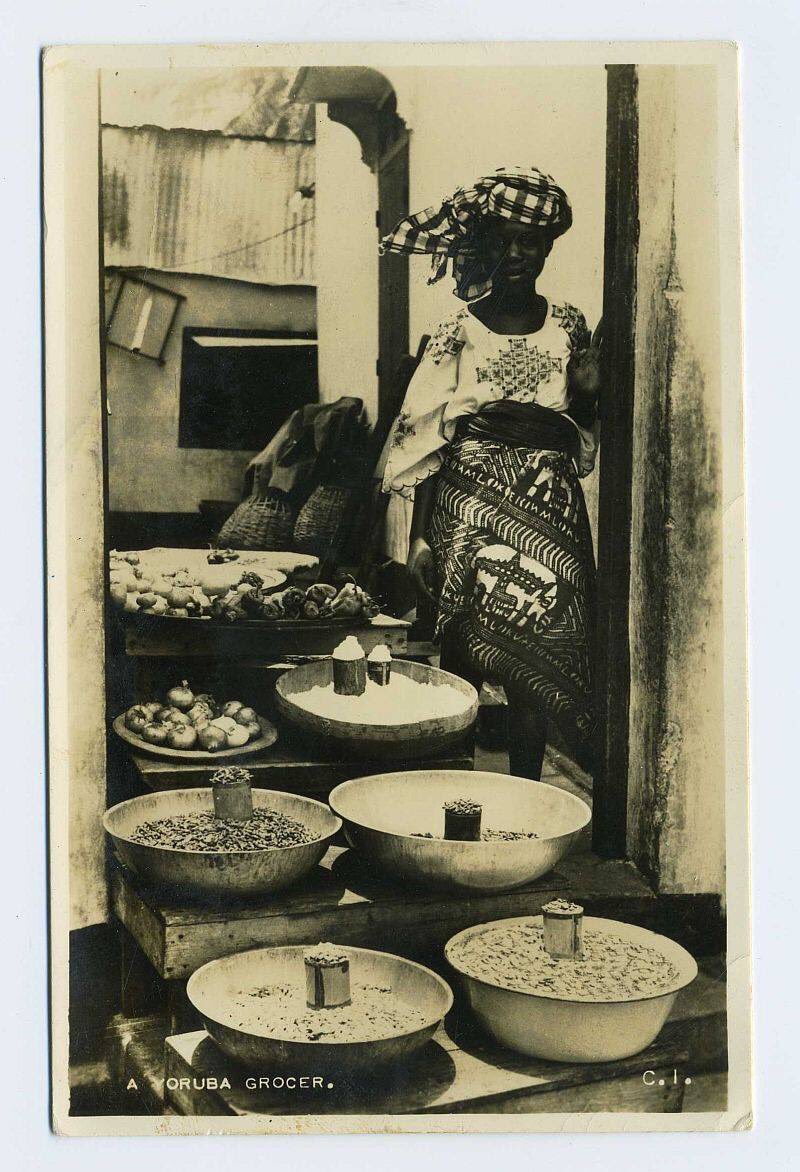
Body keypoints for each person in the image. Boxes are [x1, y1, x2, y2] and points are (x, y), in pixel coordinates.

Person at [379, 166, 601, 780]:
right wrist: (420, 537)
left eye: (528, 241)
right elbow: (427, 437)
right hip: (468, 506)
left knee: (537, 662)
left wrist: (586, 395)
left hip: (548, 508)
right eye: (500, 239)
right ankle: (458, 799)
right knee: (463, 657)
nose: (514, 253)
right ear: (481, 244)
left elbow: (581, 429)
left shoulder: (569, 325)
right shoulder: (458, 329)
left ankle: (526, 801)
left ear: (548, 247)